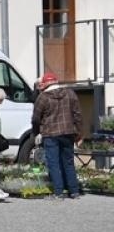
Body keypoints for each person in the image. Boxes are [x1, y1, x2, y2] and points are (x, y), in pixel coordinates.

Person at [32, 71, 83, 199]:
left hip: (50, 133)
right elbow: (78, 115)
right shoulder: (70, 93)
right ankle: (74, 191)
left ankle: (59, 192)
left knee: (53, 163)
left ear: (45, 84)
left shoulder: (43, 97)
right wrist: (79, 134)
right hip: (68, 132)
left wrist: (37, 132)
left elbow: (35, 118)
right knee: (69, 162)